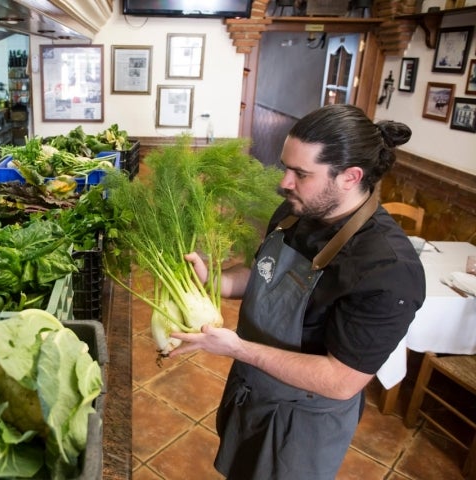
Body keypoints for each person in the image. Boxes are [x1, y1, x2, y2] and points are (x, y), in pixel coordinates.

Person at [170, 104, 426, 480]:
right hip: (251, 391)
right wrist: (215, 280)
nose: (284, 182)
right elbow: (262, 275)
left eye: (300, 173)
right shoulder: (294, 211)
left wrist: (239, 349)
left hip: (301, 423)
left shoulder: (387, 270)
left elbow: (341, 381)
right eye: (285, 167)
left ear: (350, 176)